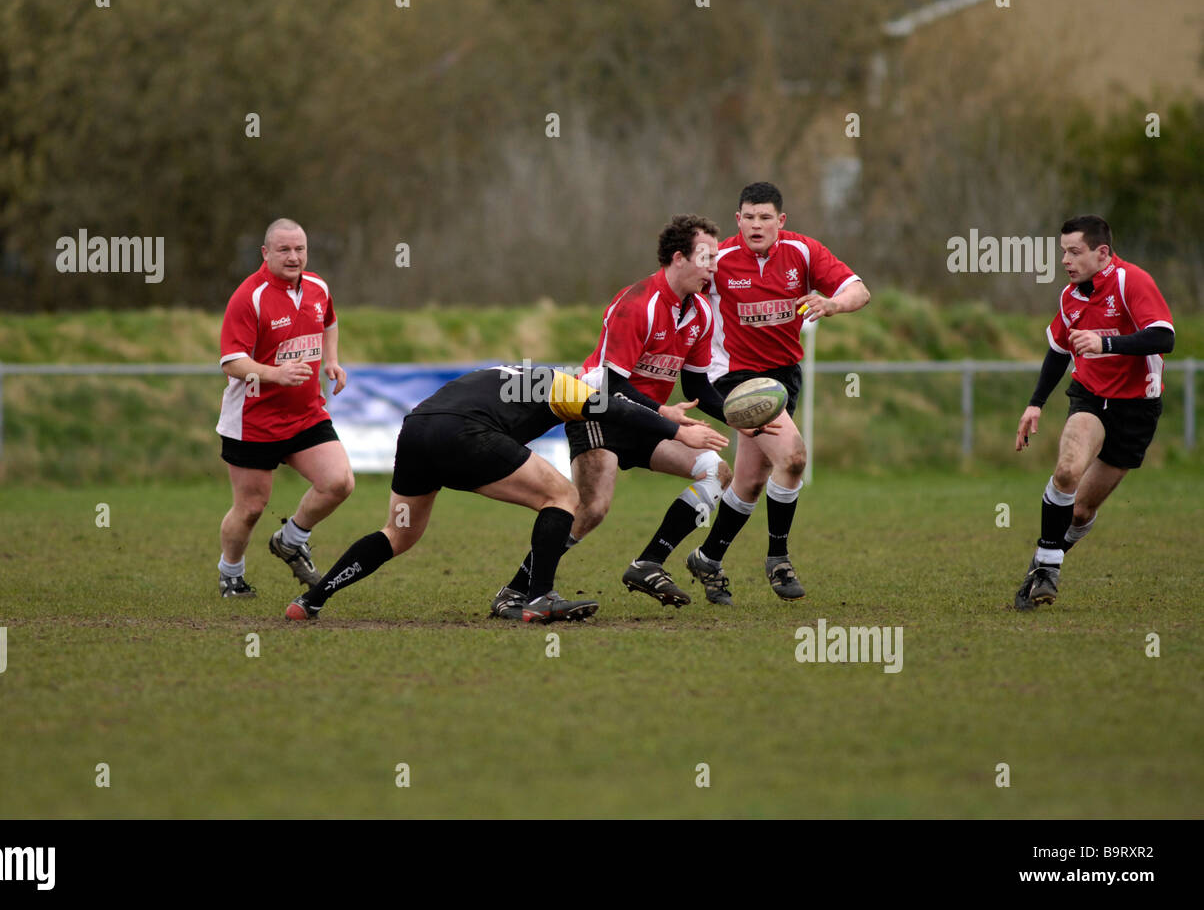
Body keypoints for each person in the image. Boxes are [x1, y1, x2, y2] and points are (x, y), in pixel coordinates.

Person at [284, 363, 729, 623]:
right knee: (564, 497)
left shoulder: (515, 373)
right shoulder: (564, 386)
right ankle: (538, 598)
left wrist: (660, 412)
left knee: (397, 533)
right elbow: (610, 407)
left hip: (418, 429)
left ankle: (312, 600)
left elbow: (615, 405)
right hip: (465, 435)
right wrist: (675, 430)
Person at [496, 215, 777, 612]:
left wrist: (740, 417)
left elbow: (697, 388)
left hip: (645, 419)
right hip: (596, 411)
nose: (714, 266)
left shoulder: (699, 313)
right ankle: (517, 589)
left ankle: (649, 563)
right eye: (706, 257)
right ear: (679, 258)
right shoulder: (637, 303)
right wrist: (666, 414)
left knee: (716, 471)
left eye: (716, 257)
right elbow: (609, 385)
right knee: (592, 510)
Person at [684, 182, 870, 605]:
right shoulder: (720, 260)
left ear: (780, 221)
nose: (756, 225)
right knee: (794, 457)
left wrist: (832, 304)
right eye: (748, 216)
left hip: (783, 376)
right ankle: (778, 558)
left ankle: (708, 557)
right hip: (733, 374)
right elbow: (676, 287)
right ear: (738, 220)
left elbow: (860, 290)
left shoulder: (803, 252)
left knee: (749, 482)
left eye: (765, 217)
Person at [1012, 215, 1174, 611]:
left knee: (1082, 510)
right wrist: (1035, 403)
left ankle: (1043, 561)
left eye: (1074, 251)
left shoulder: (1131, 281)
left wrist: (1107, 344)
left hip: (1137, 408)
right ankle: (1048, 569)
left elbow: (1163, 336)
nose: (1065, 260)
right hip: (1090, 398)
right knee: (1067, 470)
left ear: (1102, 252)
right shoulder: (1070, 297)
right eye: (1063, 251)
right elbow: (1058, 351)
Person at [215, 218, 355, 598]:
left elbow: (329, 322)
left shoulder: (318, 287)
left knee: (339, 482)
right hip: (253, 421)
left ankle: (291, 540)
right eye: (284, 250)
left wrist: (331, 361)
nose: (294, 257)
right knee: (250, 509)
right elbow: (231, 361)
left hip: (306, 414)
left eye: (300, 249)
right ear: (266, 253)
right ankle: (231, 574)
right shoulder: (250, 296)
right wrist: (273, 374)